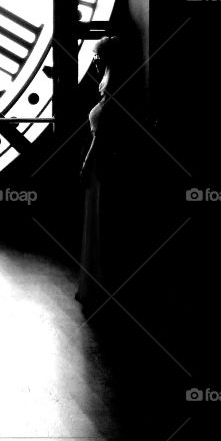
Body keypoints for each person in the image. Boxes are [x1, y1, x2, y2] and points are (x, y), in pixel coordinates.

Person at [76, 35, 131, 317]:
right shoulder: (120, 94)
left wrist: (86, 164)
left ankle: (95, 286)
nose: (95, 62)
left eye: (98, 58)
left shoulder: (109, 95)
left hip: (99, 167)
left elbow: (99, 138)